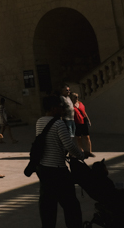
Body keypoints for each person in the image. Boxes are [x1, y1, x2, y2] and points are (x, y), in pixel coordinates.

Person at [35, 95, 84, 228]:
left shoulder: (40, 121)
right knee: (71, 205)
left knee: (48, 206)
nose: (63, 109)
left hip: (44, 169)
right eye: (60, 107)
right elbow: (69, 145)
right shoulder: (59, 124)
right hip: (58, 170)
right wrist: (80, 155)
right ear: (53, 108)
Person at [71, 93, 93, 157]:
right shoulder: (71, 106)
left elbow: (84, 112)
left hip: (83, 121)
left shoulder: (80, 103)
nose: (76, 98)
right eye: (75, 97)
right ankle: (81, 151)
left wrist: (88, 120)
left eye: (77, 97)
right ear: (72, 98)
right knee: (78, 137)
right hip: (76, 122)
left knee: (87, 137)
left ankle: (89, 151)